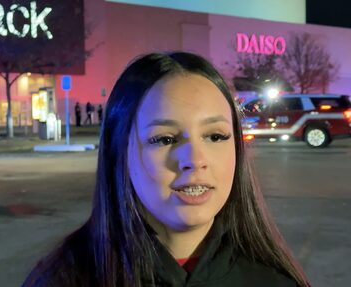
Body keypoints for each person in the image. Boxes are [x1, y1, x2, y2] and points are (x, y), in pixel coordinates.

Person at [22, 52, 310, 287]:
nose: (195, 160)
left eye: (215, 136)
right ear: (118, 152)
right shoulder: (63, 279)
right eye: (165, 139)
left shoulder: (272, 281)